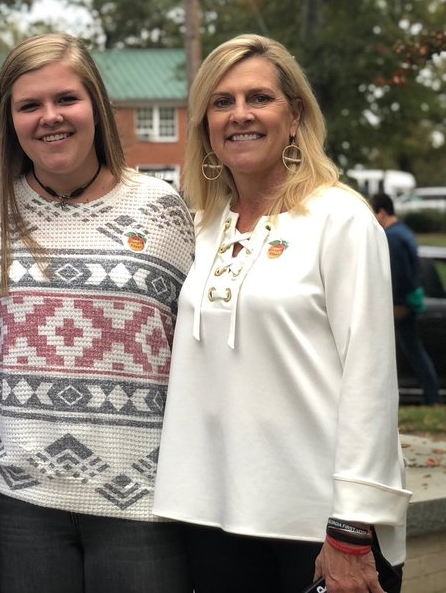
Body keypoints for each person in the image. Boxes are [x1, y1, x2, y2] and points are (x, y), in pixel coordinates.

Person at [154, 34, 411, 593]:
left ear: (294, 116)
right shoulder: (201, 226)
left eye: (259, 98)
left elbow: (370, 379)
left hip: (320, 527)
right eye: (221, 102)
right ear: (205, 125)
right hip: (213, 518)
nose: (239, 114)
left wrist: (351, 527)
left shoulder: (340, 218)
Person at [0, 33, 195, 593]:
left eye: (66, 99)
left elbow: (197, 351)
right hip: (19, 499)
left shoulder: (163, 210)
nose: (50, 117)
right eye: (30, 105)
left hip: (142, 499)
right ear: (10, 121)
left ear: (96, 104)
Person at [371, 192, 441, 406]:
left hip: (399, 304)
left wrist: (397, 304)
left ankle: (431, 398)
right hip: (409, 300)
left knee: (407, 352)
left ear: (382, 213)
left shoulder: (392, 238)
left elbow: (398, 275)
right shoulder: (405, 232)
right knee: (412, 351)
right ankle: (432, 398)